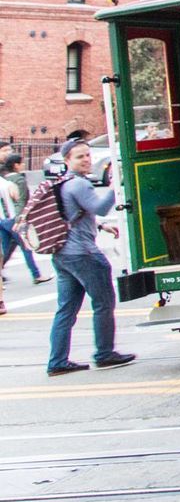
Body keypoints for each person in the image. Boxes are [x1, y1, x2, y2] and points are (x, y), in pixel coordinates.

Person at [46, 141, 134, 375]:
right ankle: (104, 353)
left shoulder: (62, 183)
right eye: (79, 157)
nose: (86, 159)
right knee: (104, 303)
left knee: (66, 309)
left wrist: (101, 226)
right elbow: (101, 207)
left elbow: (73, 214)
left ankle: (57, 361)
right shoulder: (79, 184)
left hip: (62, 254)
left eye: (87, 155)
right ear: (67, 161)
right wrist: (116, 187)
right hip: (84, 254)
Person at [0, 153, 49, 284]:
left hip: (3, 219)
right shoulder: (19, 180)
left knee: (4, 249)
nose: (23, 165)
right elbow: (21, 201)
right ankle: (37, 275)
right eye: (21, 163)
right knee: (26, 246)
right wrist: (20, 219)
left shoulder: (3, 178)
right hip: (14, 219)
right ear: (16, 165)